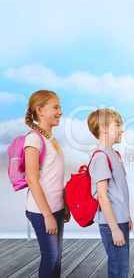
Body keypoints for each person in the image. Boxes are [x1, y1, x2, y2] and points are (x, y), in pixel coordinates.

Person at [24, 90, 70, 278]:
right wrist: (47, 216)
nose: (60, 112)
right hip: (42, 211)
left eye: (60, 107)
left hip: (56, 208)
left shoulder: (52, 140)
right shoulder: (33, 139)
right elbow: (32, 180)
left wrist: (64, 204)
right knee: (50, 257)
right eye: (56, 107)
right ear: (40, 110)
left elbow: (55, 177)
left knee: (56, 257)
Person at [87, 108, 132, 278]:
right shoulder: (100, 157)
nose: (122, 129)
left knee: (122, 265)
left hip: (120, 219)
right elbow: (102, 195)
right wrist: (114, 228)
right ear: (104, 128)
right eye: (118, 125)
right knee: (118, 267)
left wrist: (127, 216)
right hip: (111, 223)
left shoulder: (114, 154)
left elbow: (118, 191)